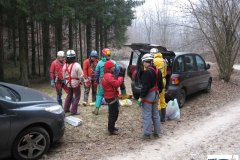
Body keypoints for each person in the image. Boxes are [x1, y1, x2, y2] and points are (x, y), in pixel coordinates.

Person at [139, 53, 163, 139]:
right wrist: (158, 92)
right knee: (156, 114)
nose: (143, 64)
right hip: (156, 94)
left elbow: (145, 87)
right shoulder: (158, 71)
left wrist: (141, 97)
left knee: (147, 114)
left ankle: (147, 134)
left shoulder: (147, 72)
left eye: (143, 62)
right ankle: (157, 132)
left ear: (145, 62)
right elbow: (161, 85)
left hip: (149, 95)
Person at [102, 60, 124, 135]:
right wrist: (121, 77)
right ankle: (111, 129)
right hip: (111, 97)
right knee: (113, 114)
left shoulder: (107, 75)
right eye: (113, 67)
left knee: (115, 112)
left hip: (111, 96)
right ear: (109, 68)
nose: (114, 68)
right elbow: (116, 84)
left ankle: (112, 127)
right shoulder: (108, 76)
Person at [63, 50, 83, 115]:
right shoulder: (77, 65)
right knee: (77, 96)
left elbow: (63, 75)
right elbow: (80, 75)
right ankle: (73, 111)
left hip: (68, 82)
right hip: (75, 83)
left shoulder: (65, 65)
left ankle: (65, 109)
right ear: (74, 57)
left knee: (69, 95)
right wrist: (81, 81)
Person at [153, 50, 167, 122]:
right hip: (163, 80)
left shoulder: (154, 60)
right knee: (162, 98)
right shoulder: (164, 60)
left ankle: (157, 118)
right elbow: (166, 71)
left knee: (157, 99)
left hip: (157, 81)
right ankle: (163, 118)